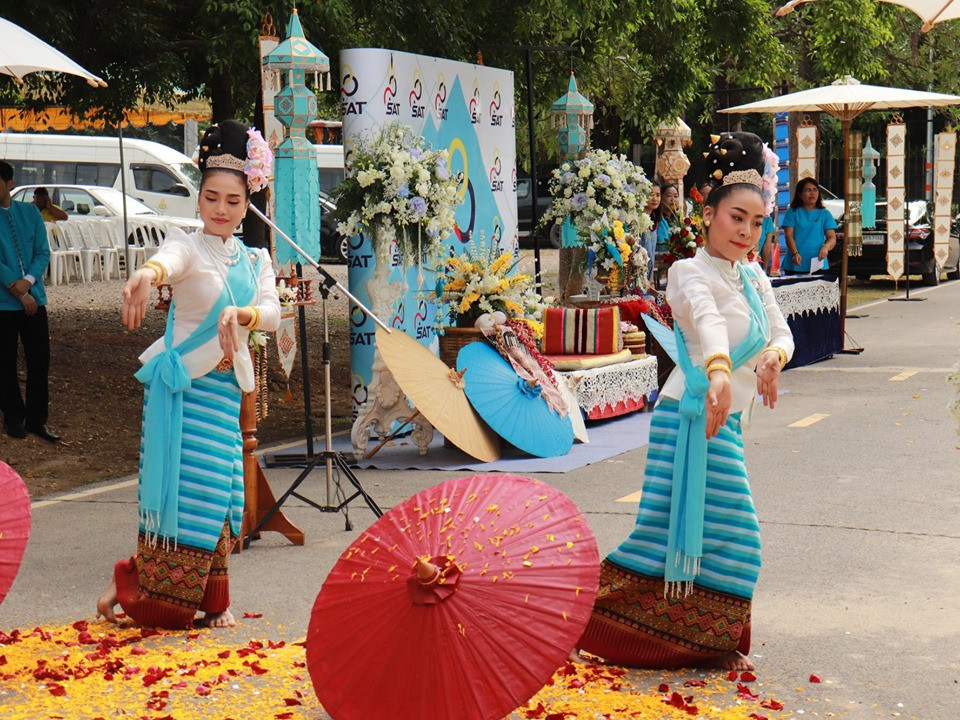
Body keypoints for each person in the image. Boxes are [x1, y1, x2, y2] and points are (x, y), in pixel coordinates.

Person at [577, 131, 794, 671]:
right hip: (692, 413)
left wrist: (773, 360)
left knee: (687, 528)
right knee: (735, 534)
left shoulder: (754, 275)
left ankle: (667, 634)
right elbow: (708, 322)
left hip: (726, 419)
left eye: (756, 220)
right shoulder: (688, 272)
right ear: (708, 212)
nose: (746, 231)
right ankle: (605, 622)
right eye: (735, 217)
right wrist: (719, 371)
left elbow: (780, 330)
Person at [96, 120, 280, 630]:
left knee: (218, 492)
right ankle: (137, 588)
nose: (220, 210)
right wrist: (145, 274)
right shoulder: (188, 245)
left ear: (248, 204)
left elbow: (271, 313)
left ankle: (215, 598)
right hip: (182, 393)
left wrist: (239, 316)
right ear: (198, 199)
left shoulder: (257, 258)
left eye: (233, 201)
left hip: (223, 394)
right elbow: (166, 262)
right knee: (180, 496)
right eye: (211, 198)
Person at [0, 161, 59, 443]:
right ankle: (13, 418)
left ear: (9, 183)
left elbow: (42, 252)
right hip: (4, 303)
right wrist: (19, 291)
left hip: (34, 298)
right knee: (4, 363)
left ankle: (38, 421)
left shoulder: (30, 213)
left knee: (40, 361)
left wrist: (29, 282)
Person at [780, 178, 837, 274]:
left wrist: (826, 247)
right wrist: (795, 253)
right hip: (795, 262)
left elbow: (832, 237)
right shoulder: (792, 212)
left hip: (818, 263)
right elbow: (788, 236)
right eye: (808, 190)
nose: (812, 193)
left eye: (815, 190)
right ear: (800, 195)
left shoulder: (825, 214)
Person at [639, 183, 661, 284]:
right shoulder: (636, 220)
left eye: (658, 195)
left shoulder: (655, 222)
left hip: (647, 278)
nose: (655, 199)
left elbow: (651, 255)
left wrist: (651, 281)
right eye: (651, 194)